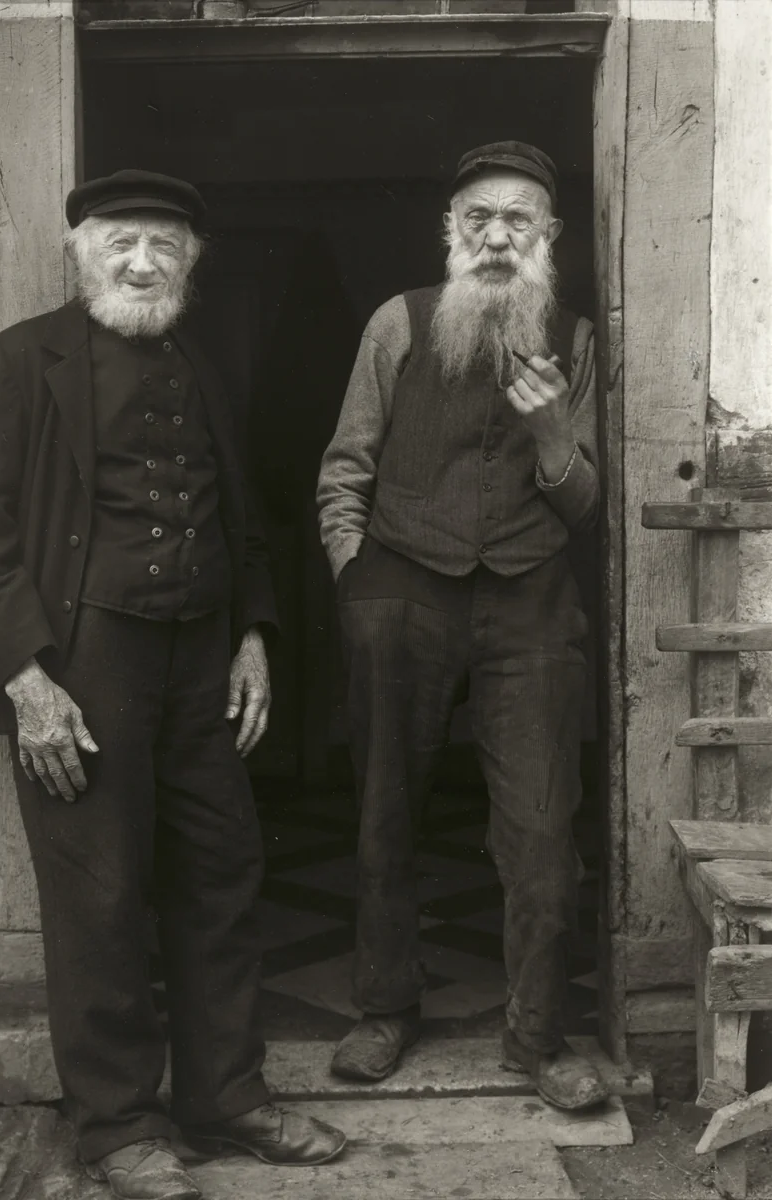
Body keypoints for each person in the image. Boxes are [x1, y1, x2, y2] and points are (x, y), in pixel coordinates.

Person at [0, 170, 346, 1200]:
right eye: (120, 242)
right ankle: (118, 1126)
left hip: (199, 663)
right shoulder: (18, 362)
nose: (142, 262)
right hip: (80, 668)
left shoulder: (199, 365)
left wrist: (253, 636)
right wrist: (29, 683)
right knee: (100, 898)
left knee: (222, 876)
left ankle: (227, 1099)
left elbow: (240, 518)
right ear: (80, 253)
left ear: (191, 264)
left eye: (165, 246)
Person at [316, 142, 609, 1112]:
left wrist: (556, 434)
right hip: (400, 588)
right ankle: (384, 1008)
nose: (495, 237)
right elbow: (344, 465)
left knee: (540, 825)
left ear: (547, 237)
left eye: (516, 221)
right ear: (451, 232)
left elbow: (584, 507)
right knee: (385, 808)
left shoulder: (574, 337)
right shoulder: (395, 324)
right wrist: (355, 574)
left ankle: (538, 1037)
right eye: (477, 219)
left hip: (529, 597)